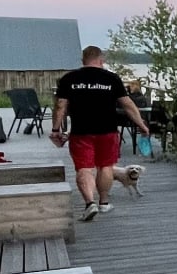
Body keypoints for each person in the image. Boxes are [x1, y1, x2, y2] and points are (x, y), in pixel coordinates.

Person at [52, 46, 151, 220]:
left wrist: (55, 129)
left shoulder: (69, 78)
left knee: (84, 168)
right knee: (105, 166)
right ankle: (104, 203)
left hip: (81, 131)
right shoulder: (111, 78)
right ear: (101, 60)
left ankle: (90, 203)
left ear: (83, 60)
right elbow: (128, 104)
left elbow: (60, 106)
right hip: (108, 131)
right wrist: (141, 124)